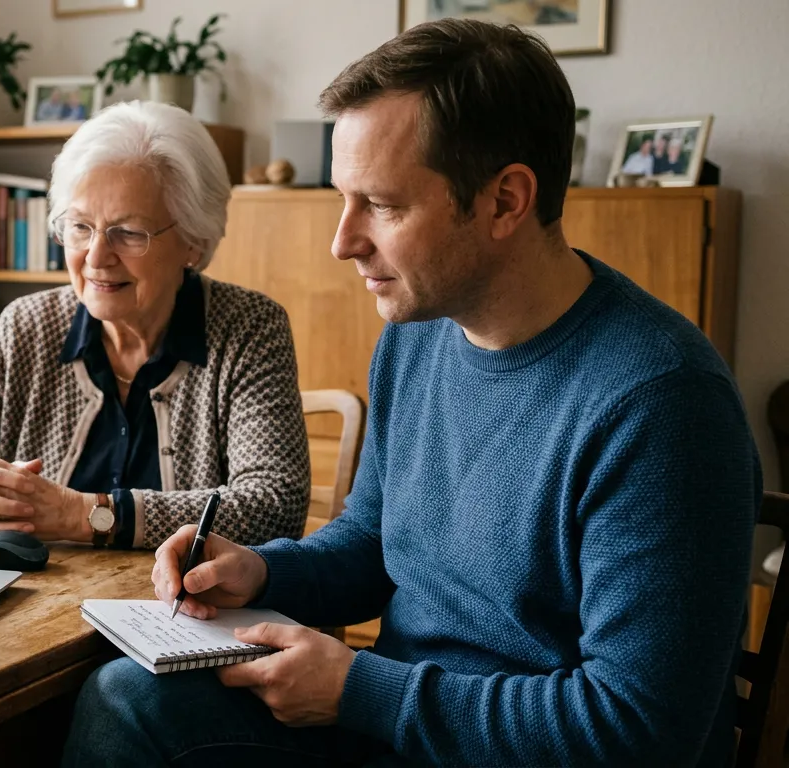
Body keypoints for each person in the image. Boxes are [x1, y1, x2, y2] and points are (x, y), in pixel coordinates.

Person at [65, 19, 759, 767]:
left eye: (383, 206)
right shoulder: (419, 331)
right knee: (122, 697)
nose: (343, 241)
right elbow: (373, 541)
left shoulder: (662, 404)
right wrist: (264, 570)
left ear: (505, 201)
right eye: (342, 198)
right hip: (400, 732)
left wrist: (360, 689)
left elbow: (638, 731)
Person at [0, 100, 310, 549]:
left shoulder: (250, 329)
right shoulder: (28, 328)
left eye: (129, 232)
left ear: (194, 241)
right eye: (80, 227)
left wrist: (82, 514)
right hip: (40, 608)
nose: (96, 257)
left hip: (185, 611)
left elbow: (273, 506)